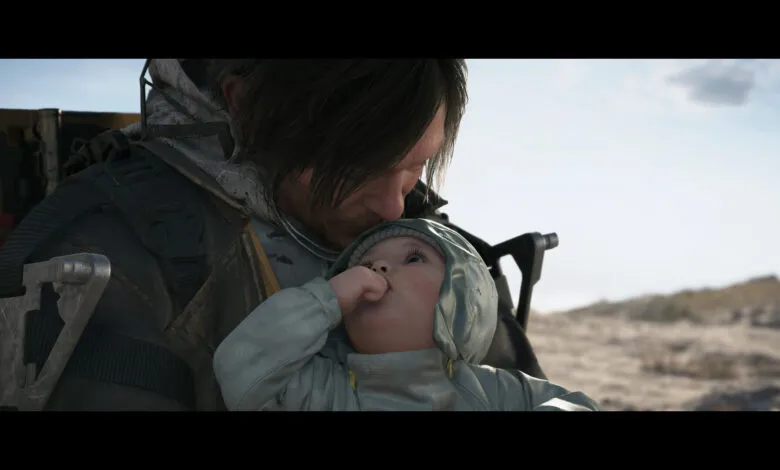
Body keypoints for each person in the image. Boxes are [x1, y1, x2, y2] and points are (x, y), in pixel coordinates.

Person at [3, 59, 548, 411]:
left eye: (414, 167)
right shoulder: (117, 250)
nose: (393, 206)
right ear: (246, 105)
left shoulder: (433, 242)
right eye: (358, 169)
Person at [213, 218, 599, 411]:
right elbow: (240, 367)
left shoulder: (491, 388)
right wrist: (327, 298)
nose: (376, 267)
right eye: (363, 264)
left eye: (413, 258)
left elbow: (576, 404)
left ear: (464, 295)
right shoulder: (327, 389)